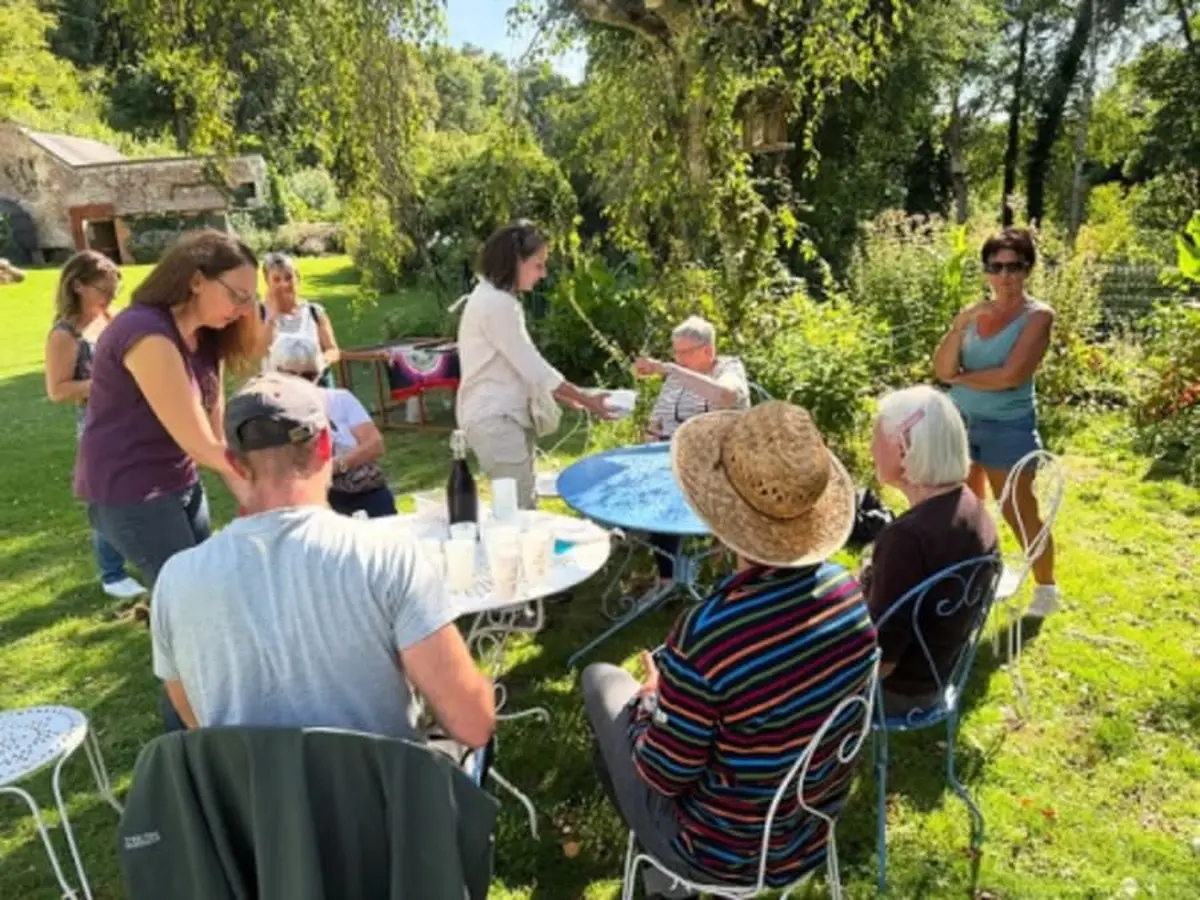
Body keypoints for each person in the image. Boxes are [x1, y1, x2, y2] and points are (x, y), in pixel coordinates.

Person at [582, 401, 878, 897]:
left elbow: (664, 774)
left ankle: (665, 879)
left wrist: (650, 700)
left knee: (599, 680)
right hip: (808, 828)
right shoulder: (847, 594)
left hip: (720, 852)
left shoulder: (708, 633)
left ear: (722, 514)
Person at [150, 372, 496, 752]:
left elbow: (194, 716)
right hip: (381, 788)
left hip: (250, 789)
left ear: (235, 463)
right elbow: (473, 724)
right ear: (326, 445)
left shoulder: (174, 580)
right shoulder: (387, 556)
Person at [75, 230, 260, 589]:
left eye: (250, 299)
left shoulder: (208, 337)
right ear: (196, 281)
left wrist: (254, 499)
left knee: (206, 586)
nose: (243, 310)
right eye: (237, 296)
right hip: (131, 490)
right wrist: (272, 485)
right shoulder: (146, 333)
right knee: (190, 594)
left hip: (180, 480)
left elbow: (215, 436)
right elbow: (199, 445)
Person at [933, 228, 1059, 617]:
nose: (1005, 276)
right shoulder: (973, 315)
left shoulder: (1038, 316)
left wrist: (960, 378)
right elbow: (941, 368)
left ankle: (1046, 589)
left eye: (1014, 266)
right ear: (986, 270)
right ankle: (979, 574)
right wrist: (960, 324)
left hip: (1007, 426)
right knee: (966, 508)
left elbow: (1010, 377)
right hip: (960, 422)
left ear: (1028, 268)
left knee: (1018, 511)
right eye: (996, 267)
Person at [455, 220, 613, 509]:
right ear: (515, 261)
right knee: (518, 510)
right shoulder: (496, 304)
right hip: (495, 418)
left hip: (502, 417)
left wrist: (569, 397)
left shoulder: (496, 299)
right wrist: (586, 399)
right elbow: (534, 367)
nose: (543, 274)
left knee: (521, 504)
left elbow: (524, 368)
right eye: (538, 265)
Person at [864, 385, 999, 714]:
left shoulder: (907, 538)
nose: (870, 449)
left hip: (897, 693)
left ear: (904, 449)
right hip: (939, 675)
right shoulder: (971, 506)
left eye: (876, 439)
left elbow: (881, 661)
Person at [43, 251, 146, 600]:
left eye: (115, 290)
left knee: (140, 490)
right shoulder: (65, 334)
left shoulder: (108, 318)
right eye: (103, 289)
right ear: (78, 286)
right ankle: (112, 573)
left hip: (132, 418)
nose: (110, 297)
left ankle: (143, 556)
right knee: (107, 498)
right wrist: (107, 382)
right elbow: (57, 390)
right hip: (98, 427)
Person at [634, 315, 750, 588]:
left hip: (719, 463)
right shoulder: (678, 376)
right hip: (674, 458)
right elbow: (657, 420)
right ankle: (667, 577)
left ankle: (731, 572)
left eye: (684, 352)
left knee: (669, 490)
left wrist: (672, 370)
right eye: (675, 352)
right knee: (655, 485)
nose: (678, 358)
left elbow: (727, 395)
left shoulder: (728, 369)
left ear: (708, 351)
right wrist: (648, 442)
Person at [270, 334, 397, 518]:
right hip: (312, 497)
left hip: (360, 486)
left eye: (308, 376)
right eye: (291, 375)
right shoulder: (271, 414)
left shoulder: (340, 399)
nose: (301, 383)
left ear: (319, 374)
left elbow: (375, 444)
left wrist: (337, 466)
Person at [259, 252, 340, 386]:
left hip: (316, 383)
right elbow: (259, 352)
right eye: (277, 279)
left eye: (288, 277)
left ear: (297, 278)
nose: (284, 284)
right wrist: (272, 317)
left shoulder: (314, 311)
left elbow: (333, 350)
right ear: (267, 282)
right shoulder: (260, 314)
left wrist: (319, 362)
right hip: (278, 387)